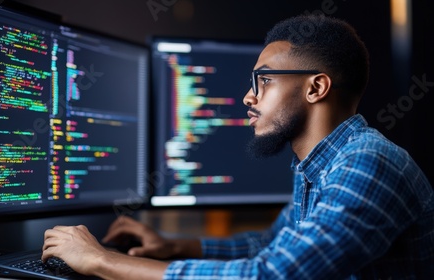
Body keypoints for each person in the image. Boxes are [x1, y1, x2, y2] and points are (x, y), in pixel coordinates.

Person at [42, 14, 434, 279]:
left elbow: (270, 275)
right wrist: (175, 245)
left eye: (263, 80)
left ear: (316, 87)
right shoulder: (319, 164)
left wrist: (101, 261)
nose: (248, 97)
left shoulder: (369, 163)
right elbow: (270, 245)